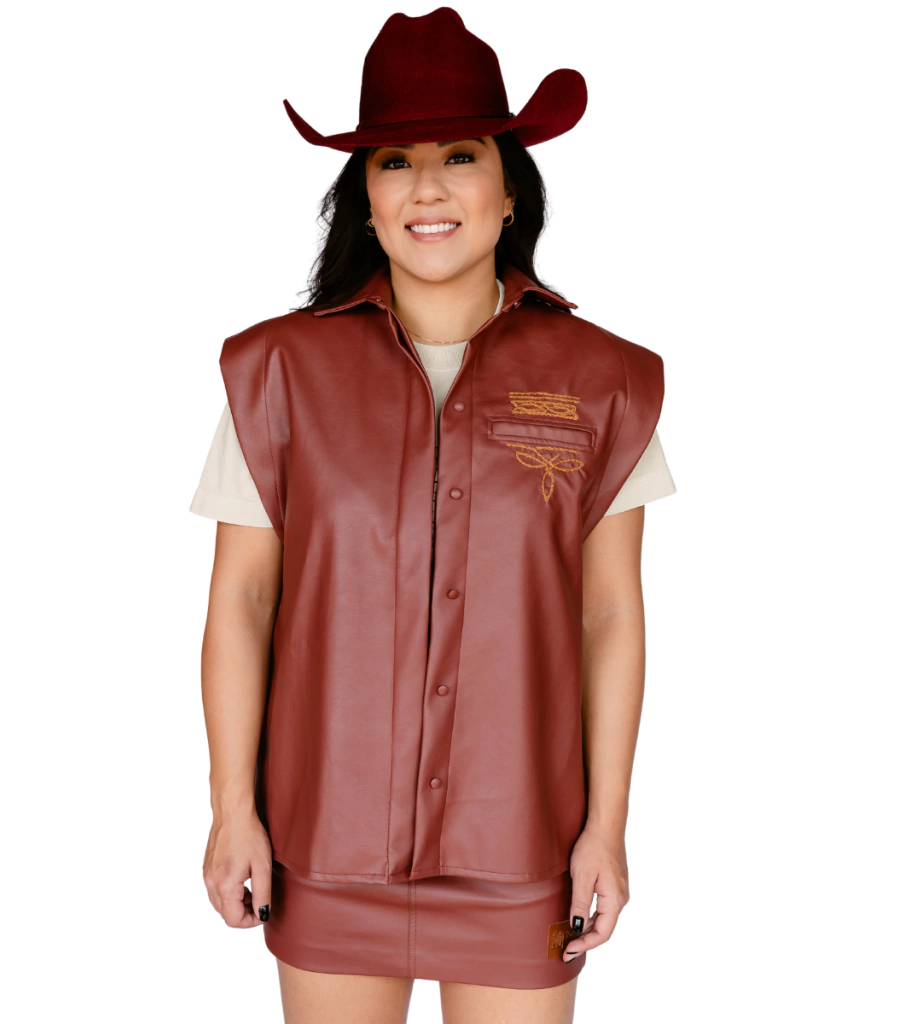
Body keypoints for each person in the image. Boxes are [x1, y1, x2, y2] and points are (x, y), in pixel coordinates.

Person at [192, 8, 676, 1022]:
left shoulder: (604, 381)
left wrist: (607, 828)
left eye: (460, 156)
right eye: (393, 162)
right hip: (325, 845)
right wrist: (233, 808)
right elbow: (241, 600)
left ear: (510, 189)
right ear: (364, 202)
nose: (427, 188)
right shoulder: (275, 373)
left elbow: (609, 616)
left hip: (524, 849)